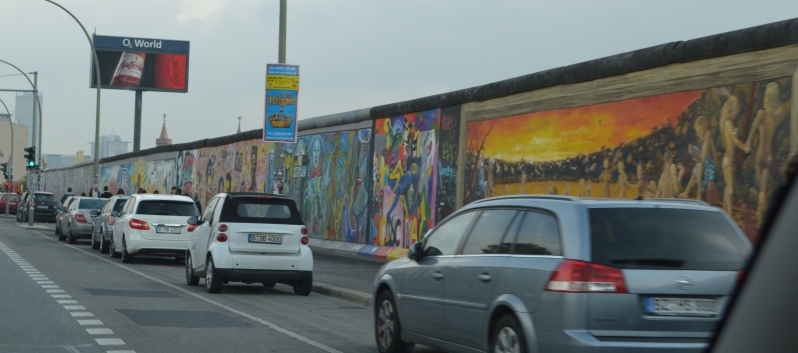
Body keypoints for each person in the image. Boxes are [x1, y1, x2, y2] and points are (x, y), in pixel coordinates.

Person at [746, 82, 791, 227]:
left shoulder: (762, 113)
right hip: (770, 155)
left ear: (768, 97)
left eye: (765, 95)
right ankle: (766, 215)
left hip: (760, 155)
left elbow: (753, 128)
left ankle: (760, 219)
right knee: (764, 190)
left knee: (761, 190)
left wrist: (747, 143)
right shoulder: (775, 117)